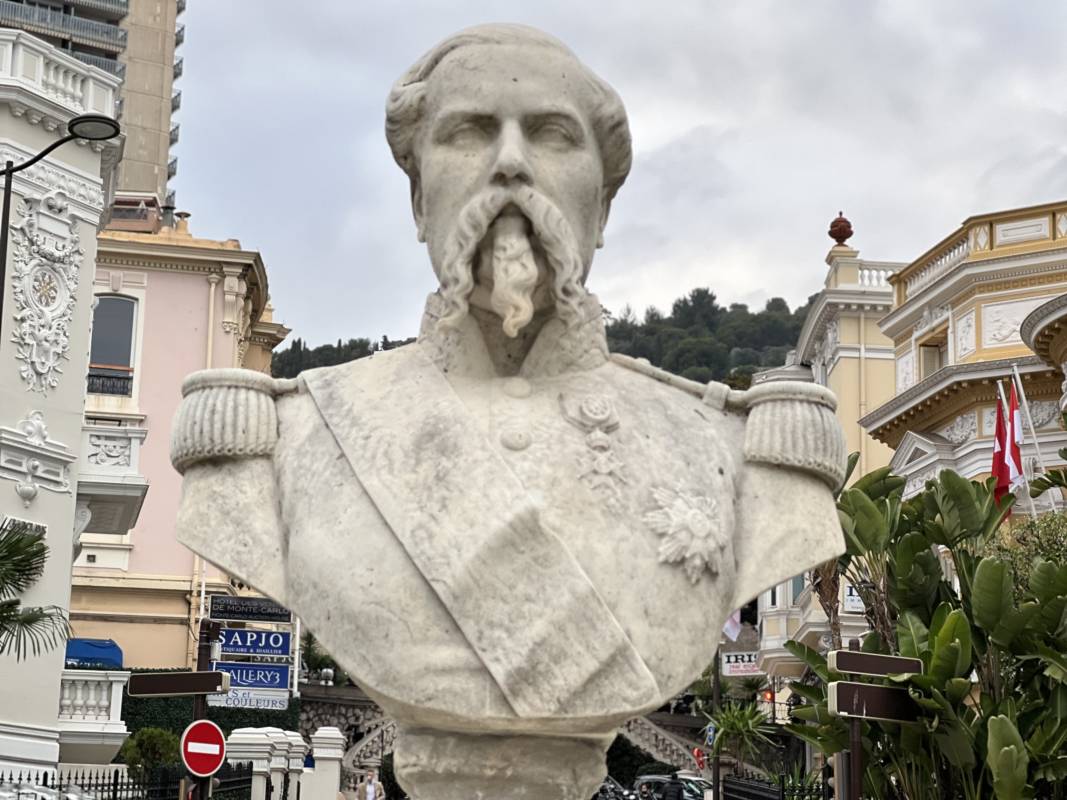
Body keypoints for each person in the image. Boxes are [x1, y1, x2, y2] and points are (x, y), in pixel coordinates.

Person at [171, 23, 845, 800]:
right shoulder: (288, 437)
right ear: (420, 198)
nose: (511, 163)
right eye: (469, 132)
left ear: (602, 203)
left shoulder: (727, 448)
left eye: (553, 136)